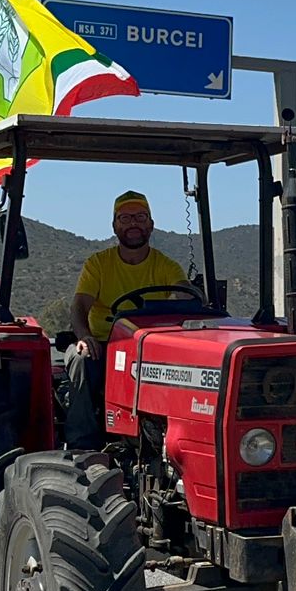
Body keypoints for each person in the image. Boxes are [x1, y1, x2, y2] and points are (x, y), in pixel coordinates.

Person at [65, 191, 185, 449]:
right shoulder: (99, 264)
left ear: (151, 224)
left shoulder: (166, 267)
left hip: (148, 349)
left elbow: (184, 295)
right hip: (102, 346)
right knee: (79, 360)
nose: (133, 224)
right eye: (125, 218)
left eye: (140, 217)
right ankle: (81, 446)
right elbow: (79, 305)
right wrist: (84, 336)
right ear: (114, 226)